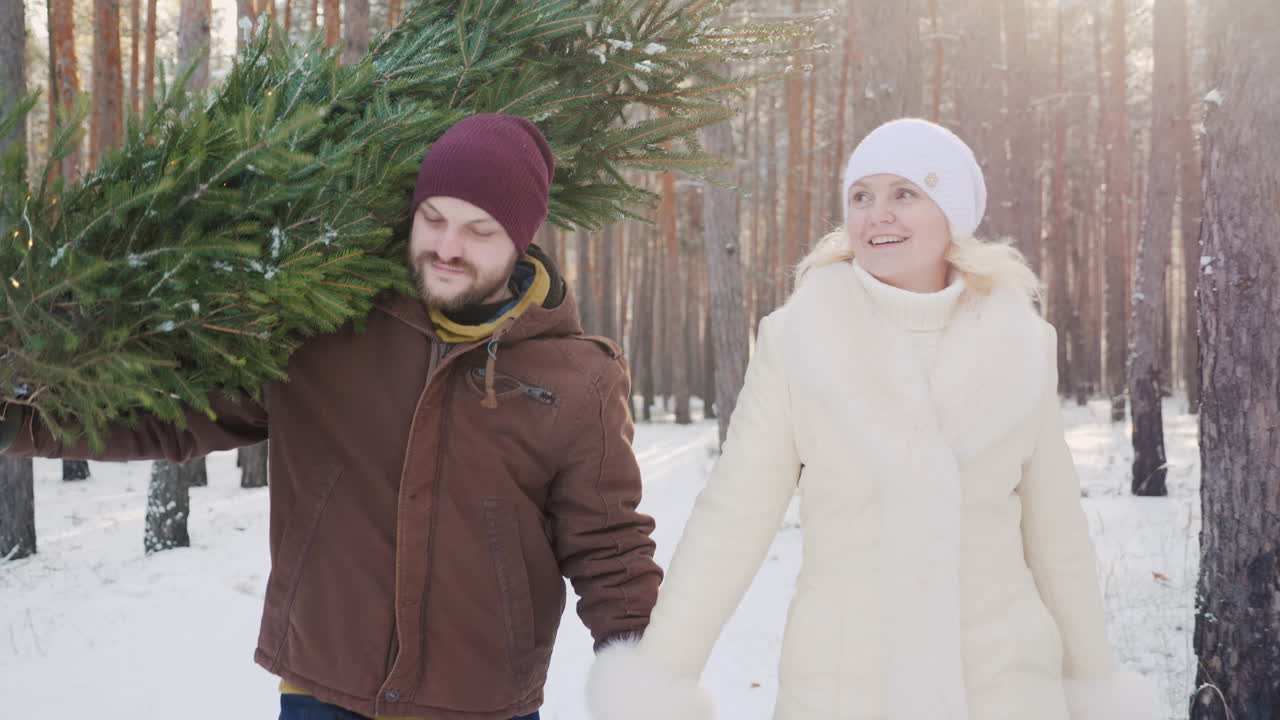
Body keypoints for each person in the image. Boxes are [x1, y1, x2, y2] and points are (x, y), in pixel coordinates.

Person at [0, 114, 662, 720]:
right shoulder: (328, 330)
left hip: (483, 702)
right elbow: (172, 415)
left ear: (522, 239)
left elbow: (610, 547)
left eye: (480, 230)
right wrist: (19, 417)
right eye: (433, 218)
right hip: (323, 687)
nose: (448, 246)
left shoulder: (577, 378)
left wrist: (647, 681)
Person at [586, 118, 1158, 720]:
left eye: (904, 193)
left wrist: (1095, 684)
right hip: (844, 688)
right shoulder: (799, 340)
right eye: (862, 196)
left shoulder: (1023, 344)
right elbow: (732, 519)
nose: (876, 214)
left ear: (953, 215)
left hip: (1005, 685)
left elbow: (1057, 533)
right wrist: (661, 679)